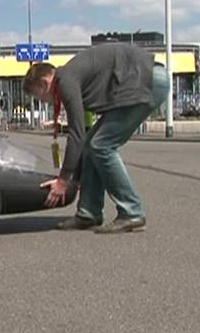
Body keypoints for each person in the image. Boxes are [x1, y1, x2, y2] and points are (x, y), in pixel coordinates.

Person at [24, 43, 169, 234]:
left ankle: (131, 211)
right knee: (92, 145)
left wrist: (62, 181)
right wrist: (76, 178)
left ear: (44, 84)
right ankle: (88, 213)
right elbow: (82, 139)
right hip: (143, 79)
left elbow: (76, 134)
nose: (43, 102)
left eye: (38, 96)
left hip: (147, 80)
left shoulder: (66, 81)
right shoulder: (69, 76)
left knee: (102, 146)